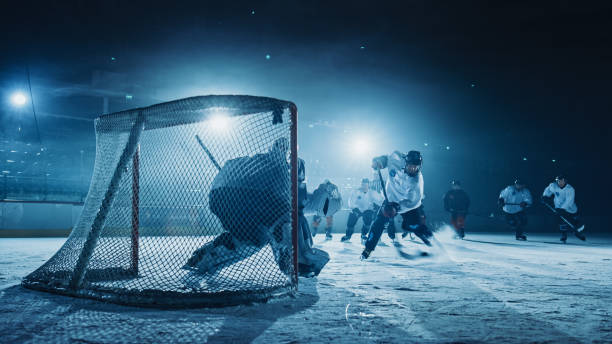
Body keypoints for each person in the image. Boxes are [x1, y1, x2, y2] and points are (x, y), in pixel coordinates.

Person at [361, 150, 432, 260]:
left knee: (413, 226)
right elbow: (386, 158)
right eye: (410, 166)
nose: (413, 169)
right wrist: (380, 162)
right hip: (390, 199)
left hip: (407, 205)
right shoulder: (396, 158)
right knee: (378, 223)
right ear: (405, 162)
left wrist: (396, 208)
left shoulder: (417, 182)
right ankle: (368, 250)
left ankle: (431, 242)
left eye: (416, 167)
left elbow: (412, 202)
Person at [542, 175, 586, 243]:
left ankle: (577, 233)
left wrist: (562, 208)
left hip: (570, 209)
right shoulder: (553, 186)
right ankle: (564, 235)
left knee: (576, 223)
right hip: (558, 207)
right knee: (562, 222)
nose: (560, 183)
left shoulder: (570, 189)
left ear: (565, 181)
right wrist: (545, 196)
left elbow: (569, 201)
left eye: (562, 181)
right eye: (558, 181)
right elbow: (548, 190)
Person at [341, 178, 383, 242]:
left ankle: (363, 234)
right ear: (361, 185)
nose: (364, 187)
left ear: (368, 185)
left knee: (368, 220)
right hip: (356, 209)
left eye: (366, 185)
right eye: (363, 185)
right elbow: (351, 201)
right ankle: (348, 236)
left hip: (368, 210)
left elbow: (380, 200)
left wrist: (380, 205)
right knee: (351, 221)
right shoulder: (355, 191)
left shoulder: (372, 192)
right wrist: (355, 209)